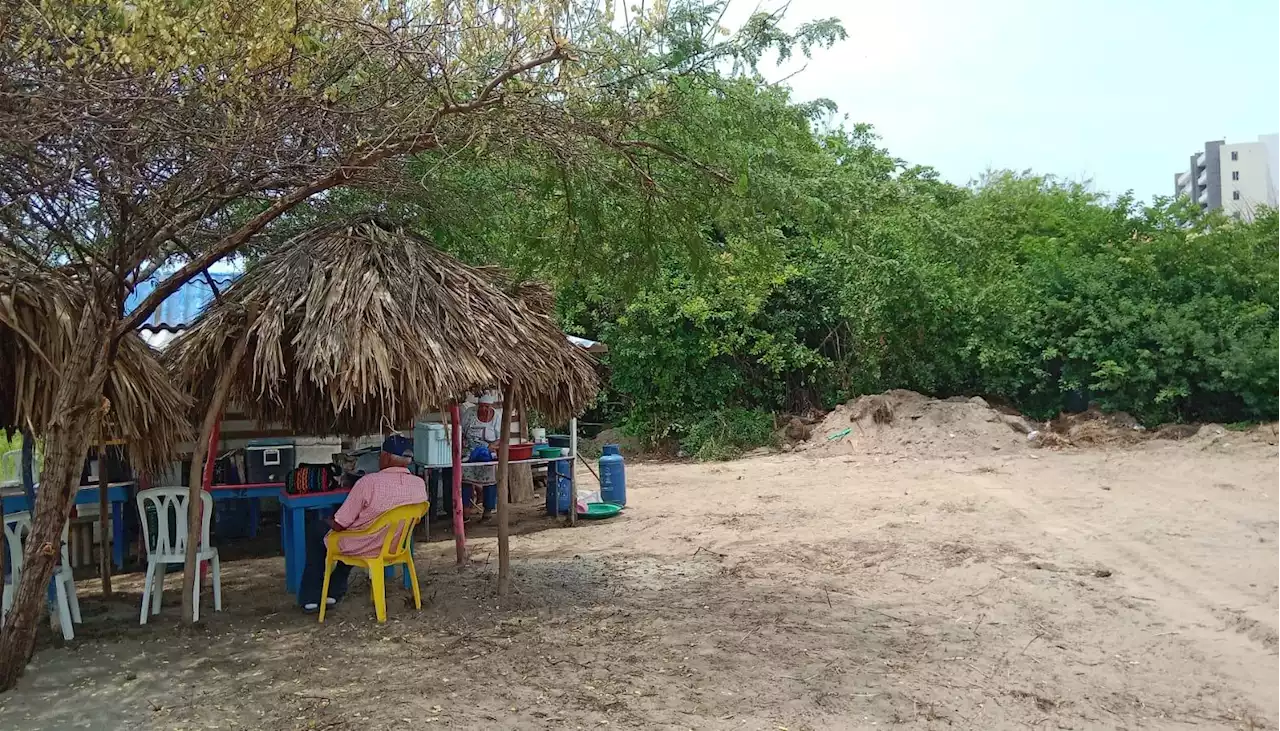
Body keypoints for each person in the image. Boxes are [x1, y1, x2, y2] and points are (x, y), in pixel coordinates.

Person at [298, 434, 427, 613]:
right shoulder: (419, 485)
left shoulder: (368, 483)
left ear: (386, 456)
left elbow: (340, 523)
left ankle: (311, 598)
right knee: (356, 531)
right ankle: (333, 591)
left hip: (364, 544)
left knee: (317, 531)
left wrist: (328, 520)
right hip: (395, 546)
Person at [460, 392, 500, 521]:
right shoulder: (469, 413)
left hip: (487, 452)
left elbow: (501, 438)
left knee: (490, 481)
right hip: (469, 452)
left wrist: (491, 446)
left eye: (487, 407)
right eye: (481, 406)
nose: (483, 409)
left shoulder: (497, 417)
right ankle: (466, 510)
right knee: (465, 480)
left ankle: (488, 509)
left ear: (491, 406)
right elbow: (461, 433)